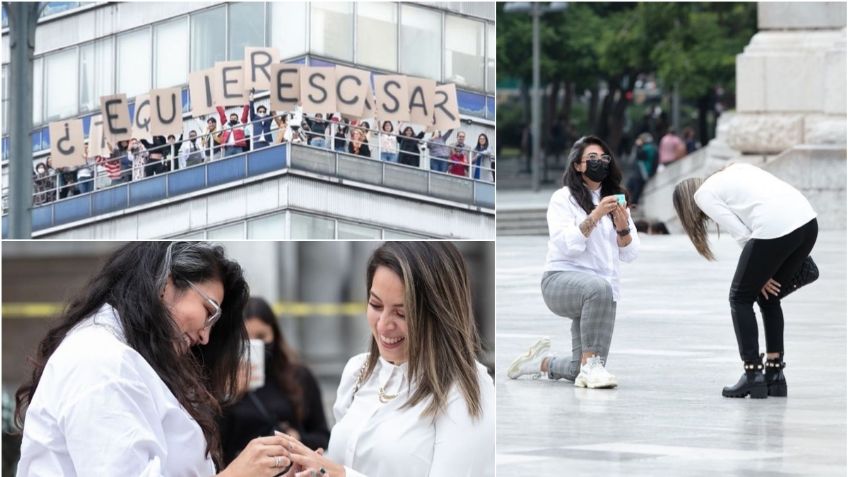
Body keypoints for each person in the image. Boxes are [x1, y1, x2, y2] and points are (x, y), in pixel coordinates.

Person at [15, 242, 295, 476]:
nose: (205, 336)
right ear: (167, 284)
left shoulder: (124, 357)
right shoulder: (101, 360)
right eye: (209, 311)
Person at [279, 242, 495, 477]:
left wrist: (341, 474)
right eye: (376, 305)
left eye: (402, 313)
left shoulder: (468, 390)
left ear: (439, 313)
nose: (383, 324)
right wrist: (314, 468)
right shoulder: (358, 371)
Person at [673, 163, 818, 399]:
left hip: (777, 227)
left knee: (739, 297)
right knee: (769, 297)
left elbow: (741, 233)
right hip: (808, 222)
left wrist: (760, 272)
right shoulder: (736, 170)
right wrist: (761, 272)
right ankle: (775, 375)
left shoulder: (703, 195)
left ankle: (753, 375)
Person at [507, 135, 639, 389]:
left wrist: (622, 228)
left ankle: (541, 363)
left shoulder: (617, 199)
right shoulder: (563, 198)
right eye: (592, 158)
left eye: (604, 158)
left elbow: (630, 254)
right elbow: (568, 245)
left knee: (577, 368)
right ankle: (592, 368)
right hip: (559, 280)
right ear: (578, 165)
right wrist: (597, 214)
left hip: (601, 291)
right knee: (600, 289)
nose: (599, 163)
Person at [220, 297, 330, 465]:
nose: (253, 345)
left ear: (275, 335)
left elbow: (323, 436)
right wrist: (230, 395)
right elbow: (212, 443)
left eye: (261, 336)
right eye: (245, 338)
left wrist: (297, 438)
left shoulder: (299, 377)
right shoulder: (220, 380)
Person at [625, 132, 658, 205]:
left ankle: (632, 203)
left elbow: (639, 155)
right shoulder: (653, 147)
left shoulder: (648, 148)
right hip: (643, 172)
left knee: (633, 187)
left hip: (643, 172)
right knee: (631, 187)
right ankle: (629, 203)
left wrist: (638, 146)